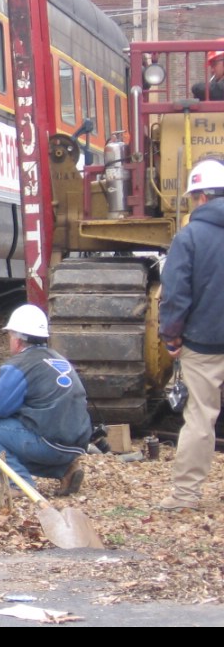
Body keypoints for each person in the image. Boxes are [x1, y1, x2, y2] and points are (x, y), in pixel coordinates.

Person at [0, 304, 91, 497]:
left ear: (17, 340)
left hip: (49, 443)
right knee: (13, 437)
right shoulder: (58, 359)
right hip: (75, 445)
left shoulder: (21, 365)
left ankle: (18, 483)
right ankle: (65, 470)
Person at [157, 158, 224, 510]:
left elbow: (176, 293)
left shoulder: (190, 237)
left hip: (204, 342)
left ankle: (185, 496)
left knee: (201, 417)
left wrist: (172, 336)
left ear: (199, 197)